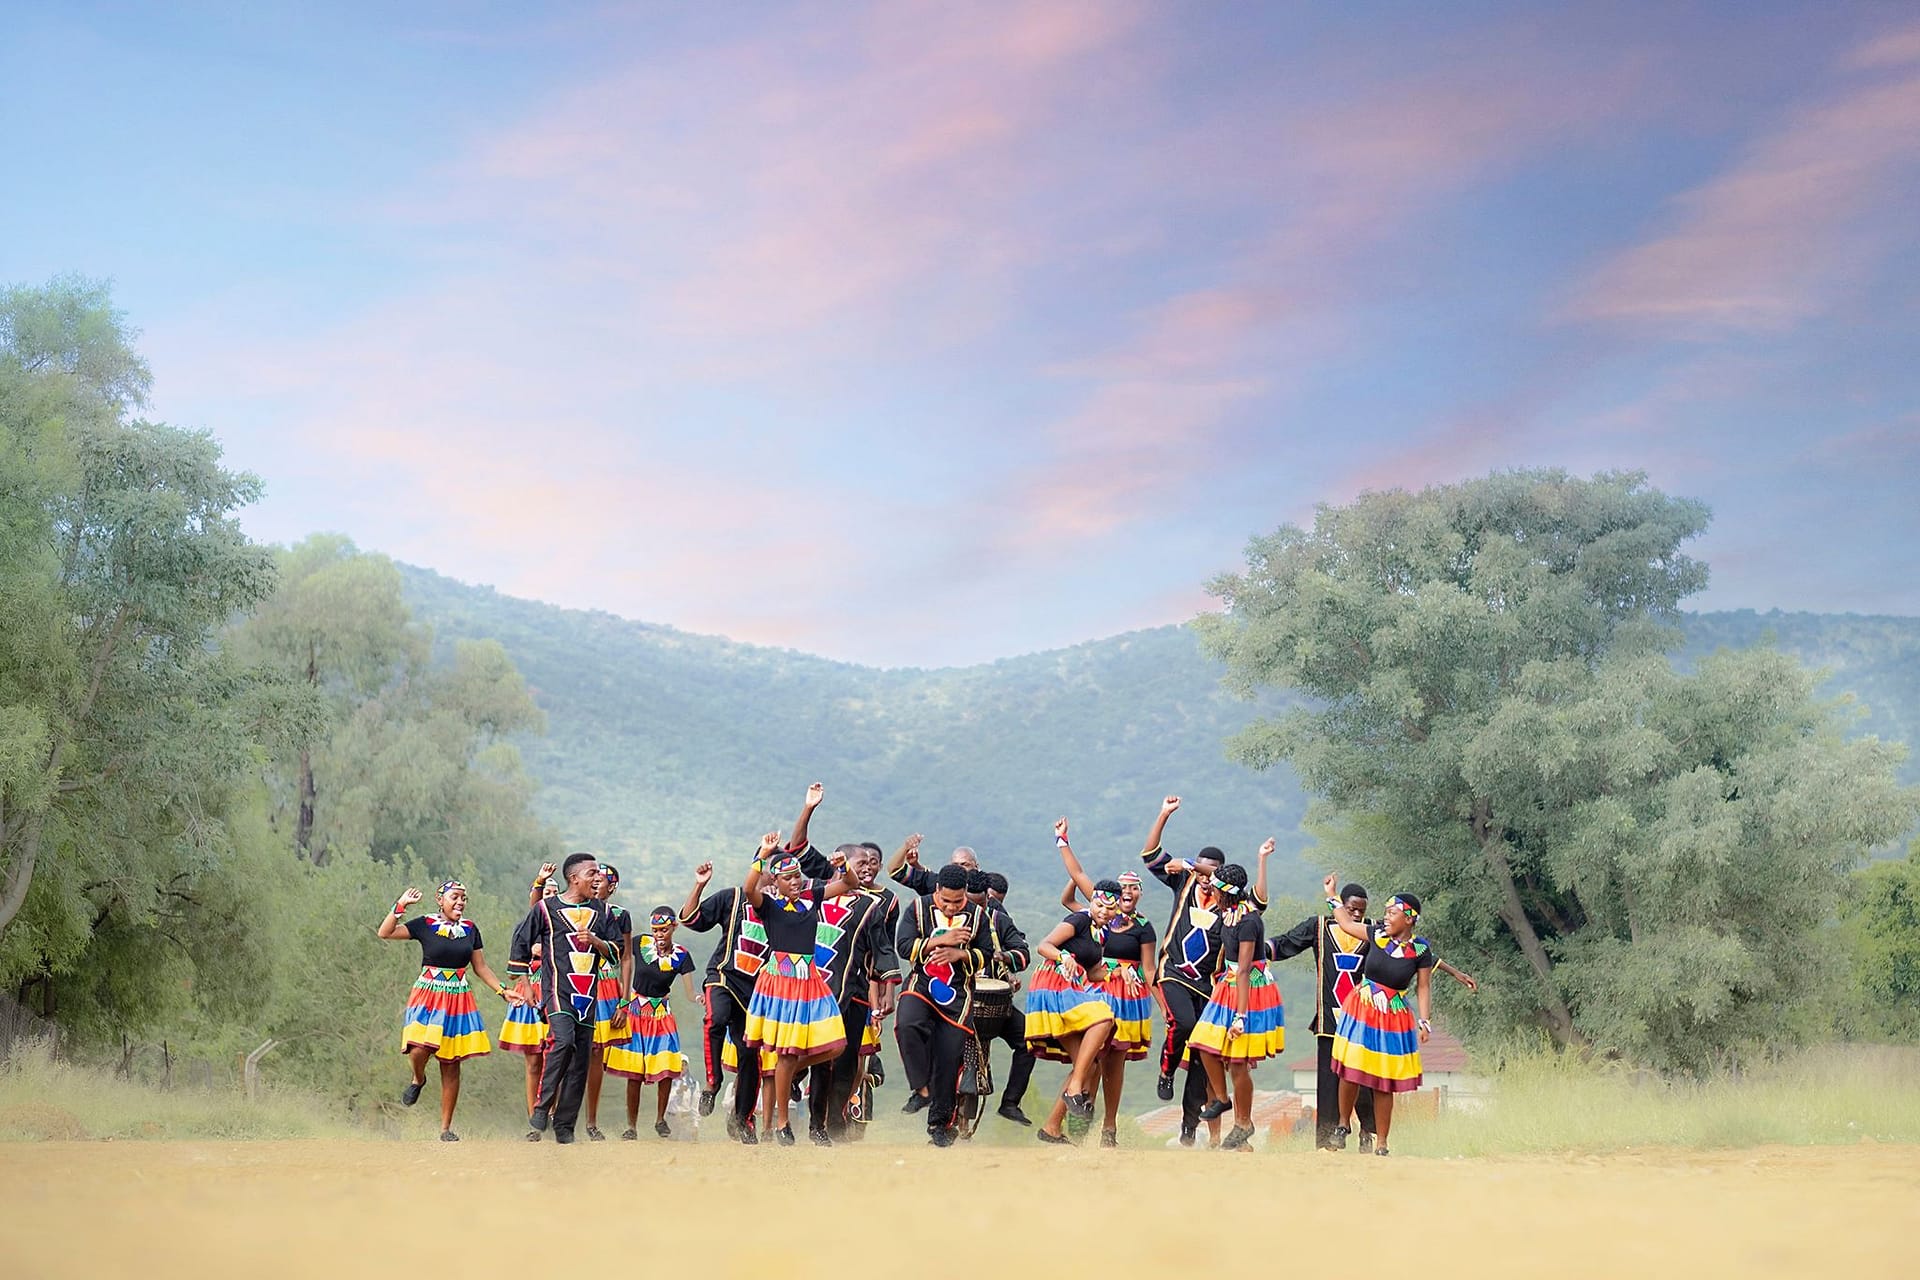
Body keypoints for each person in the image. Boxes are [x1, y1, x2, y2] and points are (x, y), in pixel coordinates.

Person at [1138, 795, 1268, 1145]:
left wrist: (1194, 863)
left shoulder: (1232, 904)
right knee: (1183, 1025)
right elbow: (1150, 854)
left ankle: (1189, 1122)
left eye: (1212, 872)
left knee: (1201, 1052)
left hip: (1209, 984)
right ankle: (1165, 1073)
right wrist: (1163, 814)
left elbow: (1259, 899)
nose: (1206, 878)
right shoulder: (1184, 883)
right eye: (1202, 870)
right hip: (1174, 972)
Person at [782, 780, 901, 1145]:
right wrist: (810, 807)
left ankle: (829, 1127)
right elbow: (797, 846)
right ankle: (790, 1099)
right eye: (860, 861)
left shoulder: (875, 905)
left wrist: (888, 990)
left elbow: (883, 950)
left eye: (872, 863)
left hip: (853, 994)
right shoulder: (816, 888)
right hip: (807, 991)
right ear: (840, 863)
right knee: (811, 1054)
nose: (868, 867)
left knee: (844, 1063)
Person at [741, 833, 862, 1145]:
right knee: (786, 1051)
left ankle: (790, 1066)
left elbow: (849, 884)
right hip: (781, 981)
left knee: (835, 1045)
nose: (795, 881)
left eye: (797, 876)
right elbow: (747, 888)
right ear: (777, 882)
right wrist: (764, 855)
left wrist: (843, 865)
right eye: (788, 878)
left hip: (809, 979)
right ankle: (782, 1123)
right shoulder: (767, 905)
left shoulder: (812, 899)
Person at [379, 879, 517, 1142]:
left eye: (464, 898)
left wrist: (503, 991)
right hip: (427, 994)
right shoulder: (425, 924)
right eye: (455, 897)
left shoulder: (470, 929)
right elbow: (385, 933)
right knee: (418, 1047)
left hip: (457, 999)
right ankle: (418, 1079)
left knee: (451, 1064)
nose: (460, 902)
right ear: (440, 899)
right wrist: (401, 906)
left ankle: (445, 1129)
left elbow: (481, 967)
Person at [1055, 822, 1160, 1146]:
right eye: (1123, 887)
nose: (1127, 892)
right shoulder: (1100, 911)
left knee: (1114, 1061)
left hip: (1128, 994)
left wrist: (1165, 1005)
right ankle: (1078, 1113)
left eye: (1134, 887)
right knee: (1090, 1057)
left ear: (1140, 893)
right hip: (1096, 986)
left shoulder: (1143, 927)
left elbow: (1149, 969)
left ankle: (1109, 1128)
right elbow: (1077, 874)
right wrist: (1062, 841)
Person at [516, 853, 626, 1144]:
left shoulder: (603, 912)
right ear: (574, 878)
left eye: (599, 874)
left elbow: (617, 952)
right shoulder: (546, 909)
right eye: (592, 873)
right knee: (562, 1042)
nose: (597, 878)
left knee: (580, 1062)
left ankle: (565, 1127)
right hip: (557, 992)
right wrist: (526, 984)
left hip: (588, 996)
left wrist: (597, 941)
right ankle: (542, 1107)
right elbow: (520, 943)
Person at [1327, 879, 1437, 1157]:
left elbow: (1423, 986)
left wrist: (1424, 1020)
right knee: (1350, 1069)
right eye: (1386, 912)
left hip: (1393, 1017)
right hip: (1363, 1008)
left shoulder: (1421, 950)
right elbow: (1347, 924)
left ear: (1409, 919)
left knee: (1382, 1079)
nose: (1386, 917)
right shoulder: (1377, 935)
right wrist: (1332, 896)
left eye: (1392, 913)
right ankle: (1343, 1125)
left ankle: (1382, 1141)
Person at [896, 863, 1003, 1146]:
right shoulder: (918, 909)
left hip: (958, 997)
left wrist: (961, 955)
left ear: (966, 893)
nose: (952, 907)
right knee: (907, 1024)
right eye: (946, 901)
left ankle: (940, 1126)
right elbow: (904, 947)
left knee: (948, 1059)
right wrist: (940, 941)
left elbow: (987, 954)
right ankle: (921, 1089)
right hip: (921, 985)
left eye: (958, 901)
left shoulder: (979, 916)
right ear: (937, 891)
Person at [1024, 837, 1117, 1144]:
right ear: (1092, 902)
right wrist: (1064, 956)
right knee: (1103, 1017)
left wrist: (1114, 973)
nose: (1103, 911)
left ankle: (1051, 1127)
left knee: (1087, 1064)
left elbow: (1092, 972)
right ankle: (1077, 1089)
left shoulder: (1100, 935)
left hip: (1072, 990)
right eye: (1099, 904)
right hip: (1052, 988)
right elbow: (1044, 946)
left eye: (1109, 909)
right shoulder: (1078, 919)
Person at [1187, 863, 1285, 1151]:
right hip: (1228, 986)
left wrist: (1241, 1017)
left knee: (1239, 1064)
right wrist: (1190, 864)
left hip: (1250, 991)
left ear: (1227, 893)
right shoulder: (1226, 913)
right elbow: (1208, 871)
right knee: (1203, 1043)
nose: (1211, 890)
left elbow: (1243, 970)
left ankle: (1244, 1124)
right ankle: (1221, 1098)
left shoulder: (1248, 921)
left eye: (1215, 888)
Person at [679, 850, 773, 1142]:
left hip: (757, 992)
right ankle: (712, 1082)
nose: (771, 875)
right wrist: (699, 884)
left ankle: (742, 1120)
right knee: (715, 1018)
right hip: (723, 976)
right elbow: (690, 919)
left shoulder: (784, 910)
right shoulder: (732, 898)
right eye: (768, 866)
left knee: (749, 1055)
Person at [603, 906, 697, 1138]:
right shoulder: (639, 943)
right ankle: (631, 1127)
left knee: (665, 1067)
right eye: (656, 930)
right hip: (635, 1011)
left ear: (674, 928)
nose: (659, 935)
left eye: (664, 930)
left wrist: (698, 997)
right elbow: (618, 952)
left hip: (661, 1015)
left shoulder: (682, 956)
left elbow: (688, 991)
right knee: (634, 1072)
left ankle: (660, 1119)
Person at [973, 871, 1036, 1126]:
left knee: (1028, 1040)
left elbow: (1022, 954)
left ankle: (1010, 1102)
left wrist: (1005, 959)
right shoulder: (948, 916)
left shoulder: (998, 919)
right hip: (957, 1000)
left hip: (995, 1004)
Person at [501, 868, 557, 1130]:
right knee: (534, 1061)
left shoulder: (562, 929)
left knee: (555, 1058)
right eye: (547, 892)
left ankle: (553, 1113)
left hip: (556, 994)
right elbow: (512, 971)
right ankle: (534, 1119)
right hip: (529, 996)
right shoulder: (524, 928)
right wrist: (533, 957)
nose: (552, 896)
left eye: (556, 893)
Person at [582, 863, 635, 1142]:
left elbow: (626, 957)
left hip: (604, 983)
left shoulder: (619, 916)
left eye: (600, 880)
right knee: (565, 1047)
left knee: (595, 1054)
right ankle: (554, 1113)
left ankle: (591, 1122)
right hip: (576, 979)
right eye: (592, 877)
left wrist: (624, 1001)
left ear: (611, 887)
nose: (595, 882)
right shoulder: (575, 908)